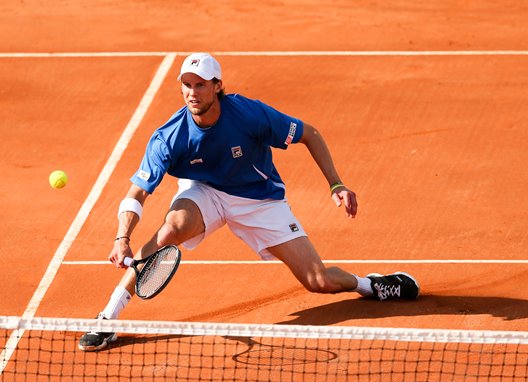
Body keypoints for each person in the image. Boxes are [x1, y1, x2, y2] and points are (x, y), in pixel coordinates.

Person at [78, 53, 420, 351]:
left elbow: (310, 134)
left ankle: (371, 285)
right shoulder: (168, 137)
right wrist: (122, 237)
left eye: (200, 85)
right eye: (187, 85)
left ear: (217, 86)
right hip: (205, 190)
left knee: (319, 281)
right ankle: (108, 316)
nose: (192, 93)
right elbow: (138, 192)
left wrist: (336, 183)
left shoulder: (250, 115)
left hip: (258, 198)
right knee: (171, 229)